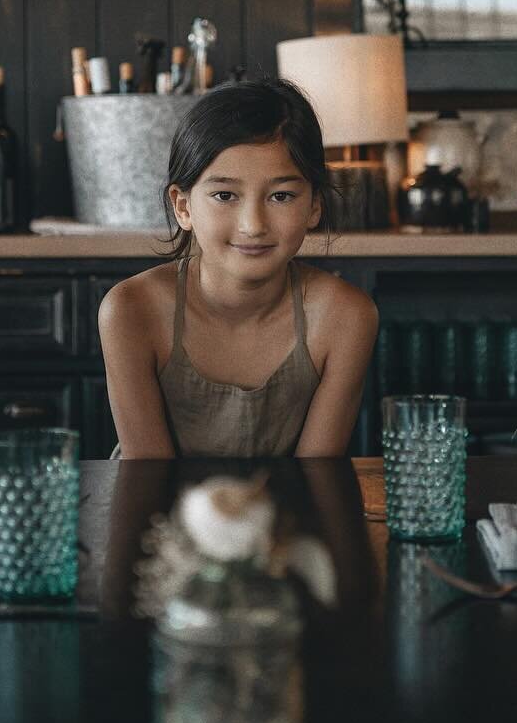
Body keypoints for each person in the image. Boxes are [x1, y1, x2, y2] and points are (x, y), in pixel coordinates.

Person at [100, 79, 377, 459]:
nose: (253, 224)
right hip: (161, 513)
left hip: (289, 514)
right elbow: (149, 480)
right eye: (224, 195)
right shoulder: (130, 310)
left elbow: (315, 479)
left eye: (281, 196)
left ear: (314, 205)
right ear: (183, 207)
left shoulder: (345, 317)